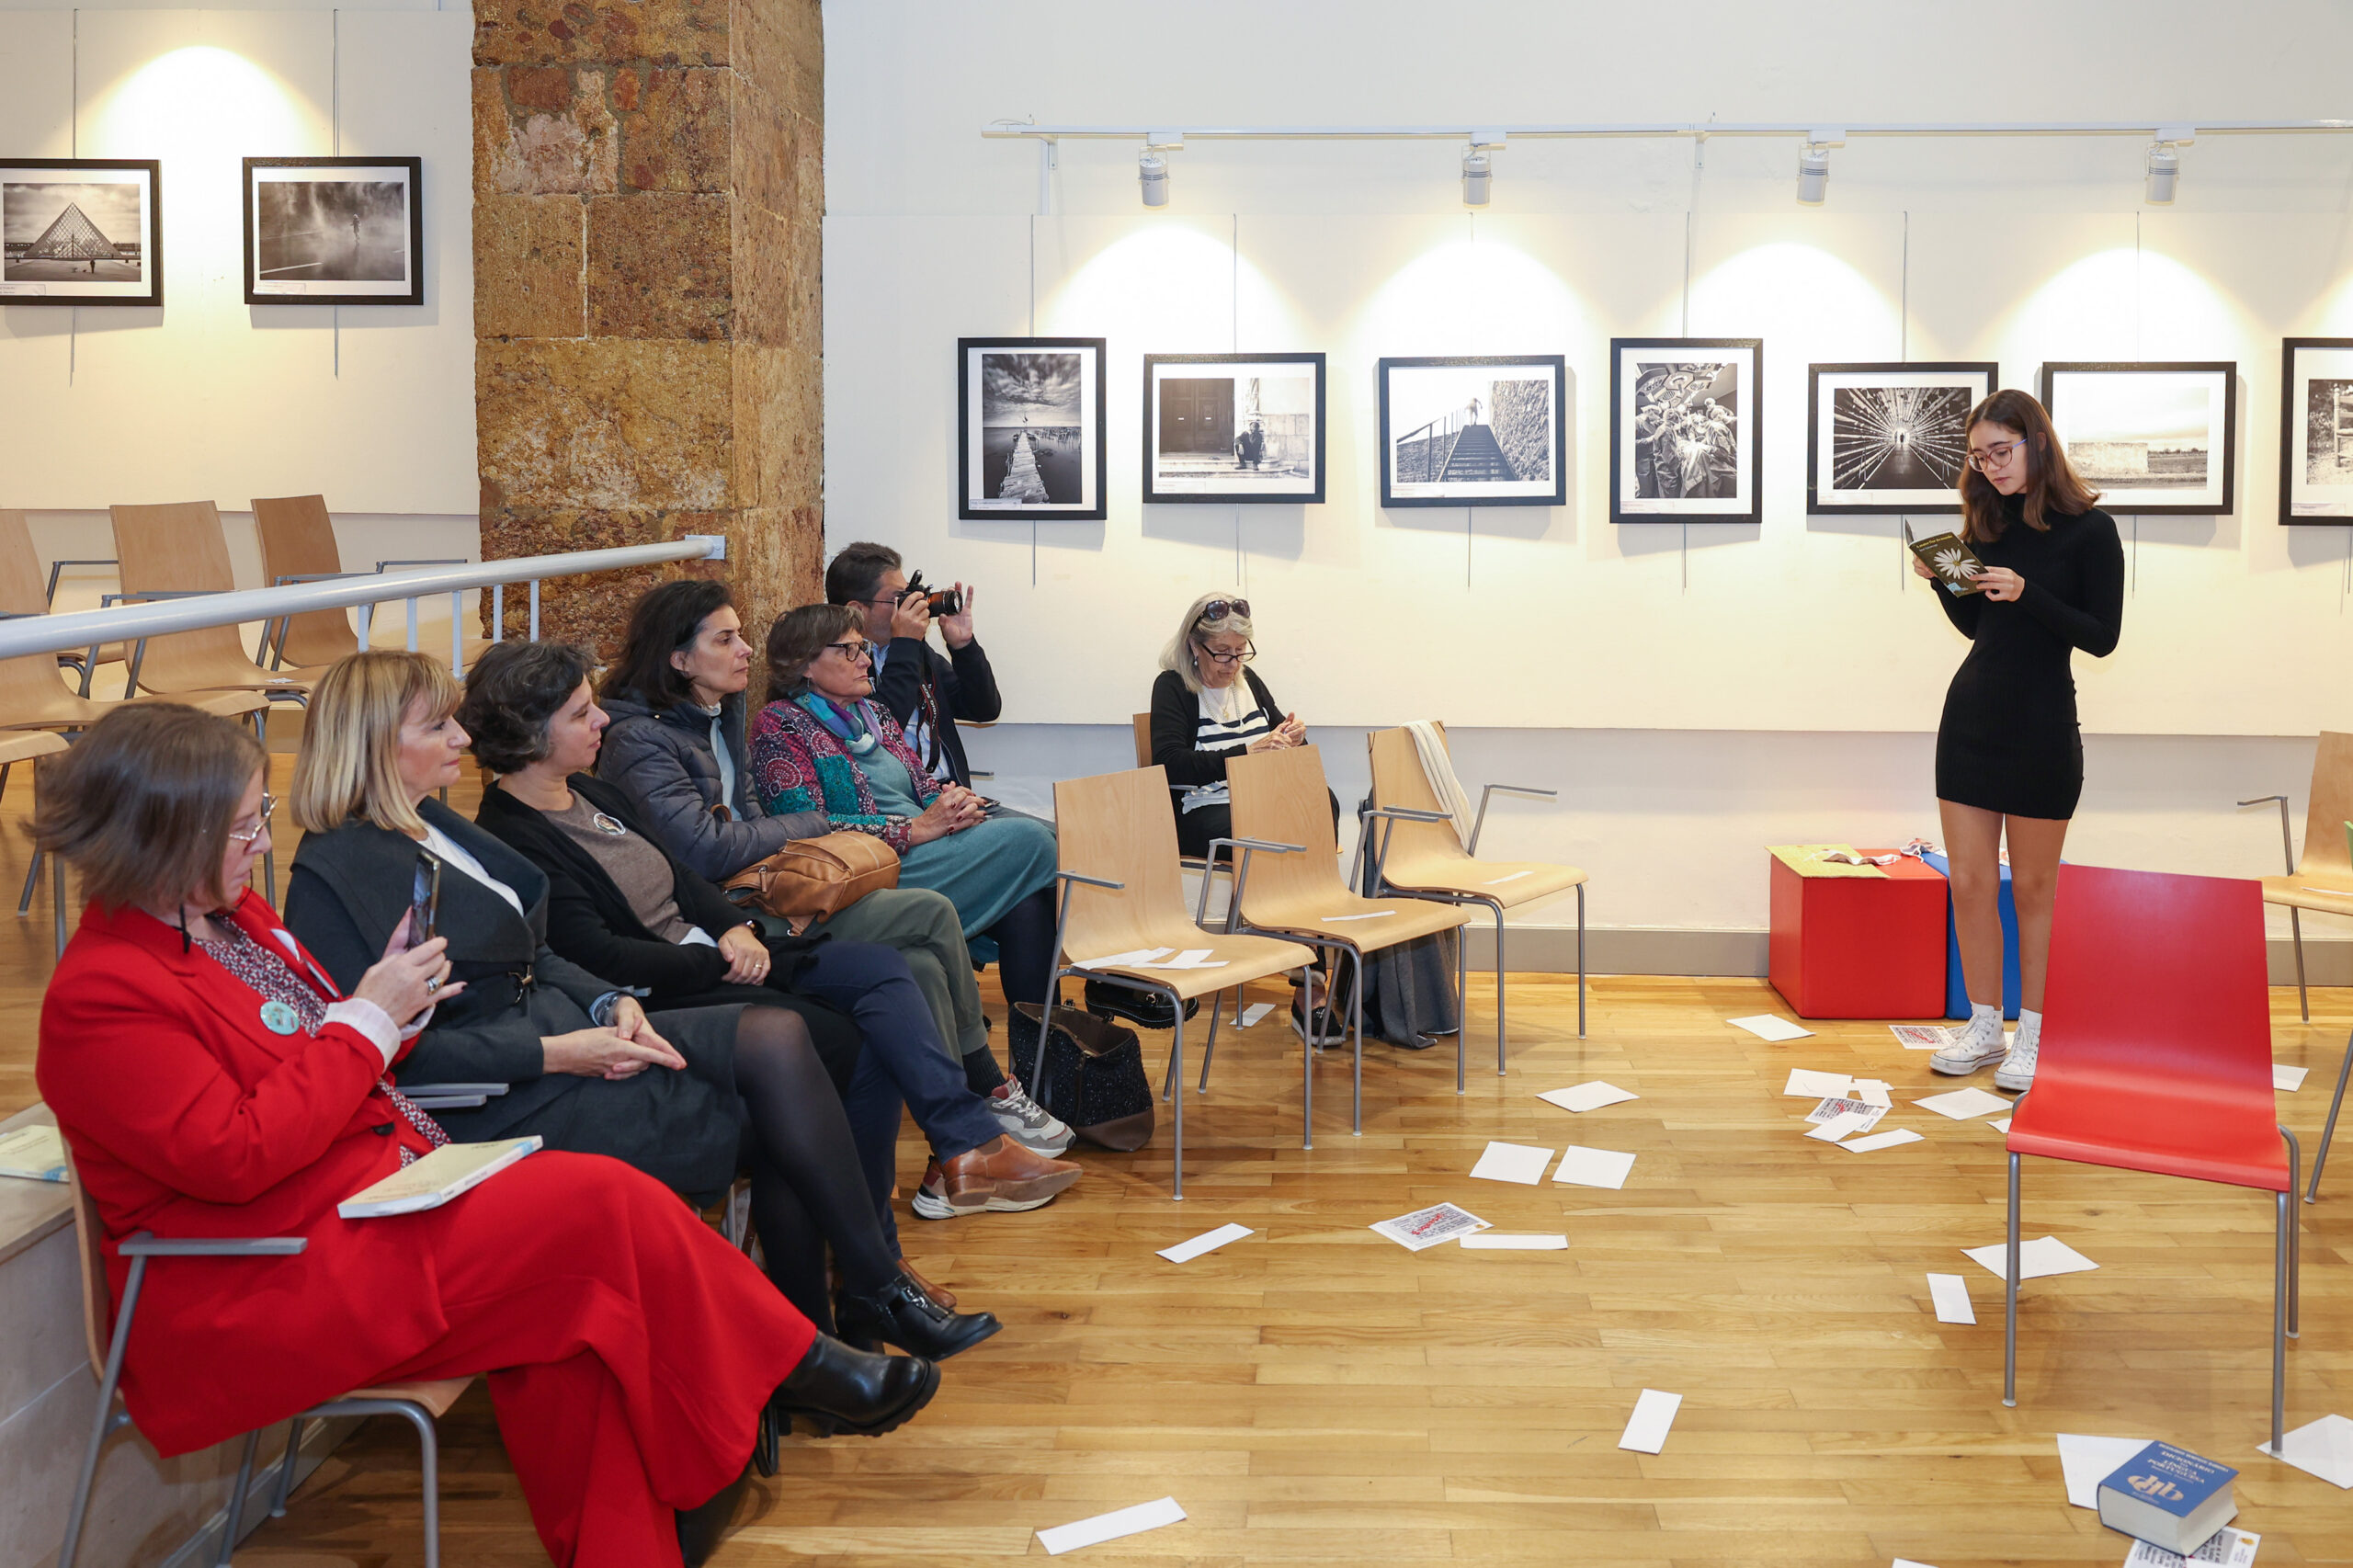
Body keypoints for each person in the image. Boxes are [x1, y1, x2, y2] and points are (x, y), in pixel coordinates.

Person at [33, 703, 938, 1568]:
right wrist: (366, 1023)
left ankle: (651, 1523)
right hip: (253, 1279)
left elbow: (322, 1065)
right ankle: (781, 1376)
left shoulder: (235, 923)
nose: (261, 841)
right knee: (595, 1205)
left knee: (577, 1297)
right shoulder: (104, 993)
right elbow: (237, 1156)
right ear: (157, 836)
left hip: (362, 1205)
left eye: (256, 816)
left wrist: (385, 1011)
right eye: (239, 828)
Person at [279, 652, 999, 1353]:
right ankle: (850, 1308)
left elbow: (547, 952)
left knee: (812, 1048)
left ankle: (830, 1327)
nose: (461, 739)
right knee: (793, 1055)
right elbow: (385, 1057)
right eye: (439, 727)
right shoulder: (336, 873)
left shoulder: (435, 828)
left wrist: (605, 1006)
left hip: (581, 1036)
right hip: (508, 1096)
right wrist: (564, 1047)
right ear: (376, 743)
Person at [460, 639, 1082, 1240]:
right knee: (909, 962)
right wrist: (726, 946)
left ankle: (955, 1158)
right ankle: (916, 1195)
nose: (601, 718)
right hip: (682, 978)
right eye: (579, 712)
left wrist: (735, 929)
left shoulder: (594, 789)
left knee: (912, 962)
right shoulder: (516, 836)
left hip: (735, 932)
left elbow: (680, 876)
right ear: (530, 733)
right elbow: (605, 948)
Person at [595, 580, 1002, 1097]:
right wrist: (817, 824)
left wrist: (946, 804)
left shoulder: (723, 717)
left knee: (919, 960)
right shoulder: (648, 739)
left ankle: (963, 1134)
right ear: (679, 661)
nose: (745, 650)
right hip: (727, 911)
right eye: (725, 641)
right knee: (943, 904)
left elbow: (750, 818)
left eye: (739, 636)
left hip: (776, 884)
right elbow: (703, 848)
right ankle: (987, 1095)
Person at [748, 608, 1067, 1187]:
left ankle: (1022, 1082)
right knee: (1038, 840)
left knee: (1028, 895)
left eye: (861, 649)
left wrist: (955, 803)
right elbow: (802, 825)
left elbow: (920, 785)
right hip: (868, 868)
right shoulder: (779, 724)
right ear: (803, 665)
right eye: (847, 651)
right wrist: (914, 829)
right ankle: (1011, 1079)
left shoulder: (871, 711)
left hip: (924, 850)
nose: (864, 657)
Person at [1916, 388, 2123, 1092]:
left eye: (1999, 452)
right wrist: (1947, 583)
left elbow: (2102, 637)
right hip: (1970, 722)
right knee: (1971, 884)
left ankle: (2034, 1034)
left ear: (2037, 441)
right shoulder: (1988, 521)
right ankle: (1984, 1025)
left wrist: (2026, 589)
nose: (1989, 467)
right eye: (1978, 457)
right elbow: (1983, 630)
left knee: (2033, 888)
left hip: (2041, 729)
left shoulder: (2091, 530)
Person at [1146, 594, 1345, 1038]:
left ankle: (1300, 949)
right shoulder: (1173, 686)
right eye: (1222, 654)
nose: (1232, 664)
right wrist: (1245, 753)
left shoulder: (1248, 680)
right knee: (1282, 840)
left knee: (1322, 803)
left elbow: (1279, 741)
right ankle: (1308, 979)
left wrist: (1290, 738)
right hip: (1202, 808)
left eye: (1240, 652)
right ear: (1194, 646)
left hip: (1258, 801)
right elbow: (1169, 764)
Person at [826, 541, 997, 790]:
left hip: (952, 792)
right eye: (898, 599)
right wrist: (905, 643)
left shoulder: (914, 651)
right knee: (1032, 831)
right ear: (857, 610)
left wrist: (964, 647)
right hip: (900, 804)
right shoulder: (841, 664)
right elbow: (882, 730)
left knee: (1043, 830)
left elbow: (983, 710)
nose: (911, 605)